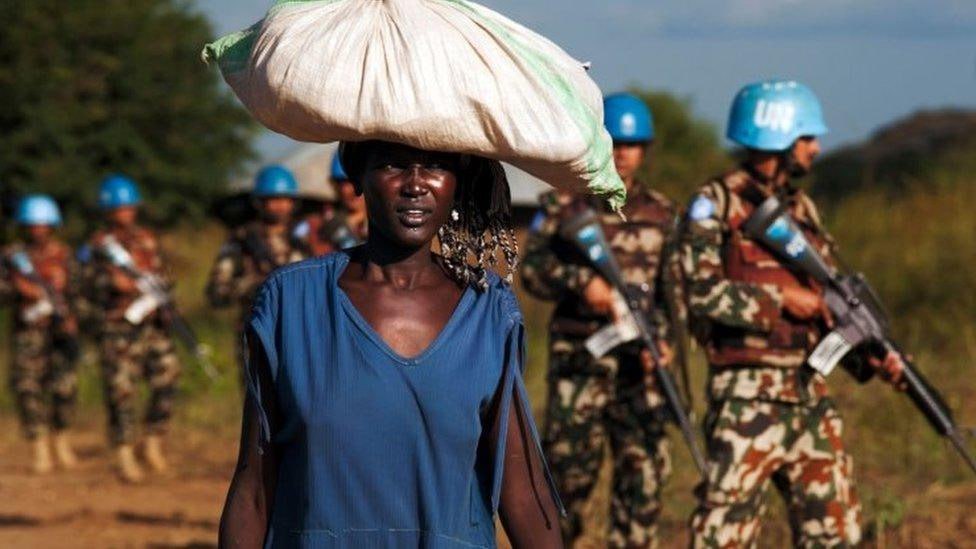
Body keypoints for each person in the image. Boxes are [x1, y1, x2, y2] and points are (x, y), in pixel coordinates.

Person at [220, 140, 564, 548]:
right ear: (358, 180)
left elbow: (522, 488)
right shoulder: (292, 302)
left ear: (457, 182)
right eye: (392, 165)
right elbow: (255, 488)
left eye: (436, 166)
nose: (415, 184)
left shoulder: (488, 312)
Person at [681, 80, 907, 547]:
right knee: (723, 536)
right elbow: (699, 293)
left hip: (809, 395)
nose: (817, 148)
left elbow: (828, 308)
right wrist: (779, 301)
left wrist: (870, 357)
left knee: (836, 534)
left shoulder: (802, 210)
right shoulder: (716, 204)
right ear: (777, 137)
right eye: (807, 138)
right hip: (746, 399)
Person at [521, 93, 682, 547]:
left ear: (645, 149)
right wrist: (580, 283)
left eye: (634, 144)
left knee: (643, 481)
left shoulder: (663, 214)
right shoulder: (561, 207)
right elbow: (531, 271)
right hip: (581, 367)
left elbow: (674, 295)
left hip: (641, 371)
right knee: (566, 483)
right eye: (616, 142)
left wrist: (665, 344)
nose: (624, 153)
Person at [85, 175, 182, 482]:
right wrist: (111, 283)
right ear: (107, 211)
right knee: (121, 391)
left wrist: (164, 299)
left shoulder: (148, 239)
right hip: (118, 329)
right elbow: (82, 284)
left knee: (168, 374)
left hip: (152, 326)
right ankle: (124, 452)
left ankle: (153, 442)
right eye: (119, 208)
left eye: (129, 207)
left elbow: (164, 275)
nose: (125, 213)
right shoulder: (98, 247)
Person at [206, 165, 310, 383]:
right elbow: (217, 292)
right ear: (260, 202)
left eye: (285, 198)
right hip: (257, 334)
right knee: (260, 407)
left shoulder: (304, 237)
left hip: (301, 335)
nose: (280, 206)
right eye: (273, 199)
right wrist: (254, 286)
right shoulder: (242, 240)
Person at [0, 195, 80, 473]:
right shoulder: (12, 257)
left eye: (43, 224)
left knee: (65, 388)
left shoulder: (64, 255)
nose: (38, 230)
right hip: (27, 335)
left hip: (59, 334)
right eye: (32, 225)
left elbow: (79, 293)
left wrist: (73, 317)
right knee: (28, 389)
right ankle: (40, 448)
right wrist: (17, 289)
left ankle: (61, 438)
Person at [298, 153, 369, 256]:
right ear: (335, 186)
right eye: (346, 182)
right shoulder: (324, 226)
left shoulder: (384, 218)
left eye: (357, 180)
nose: (354, 189)